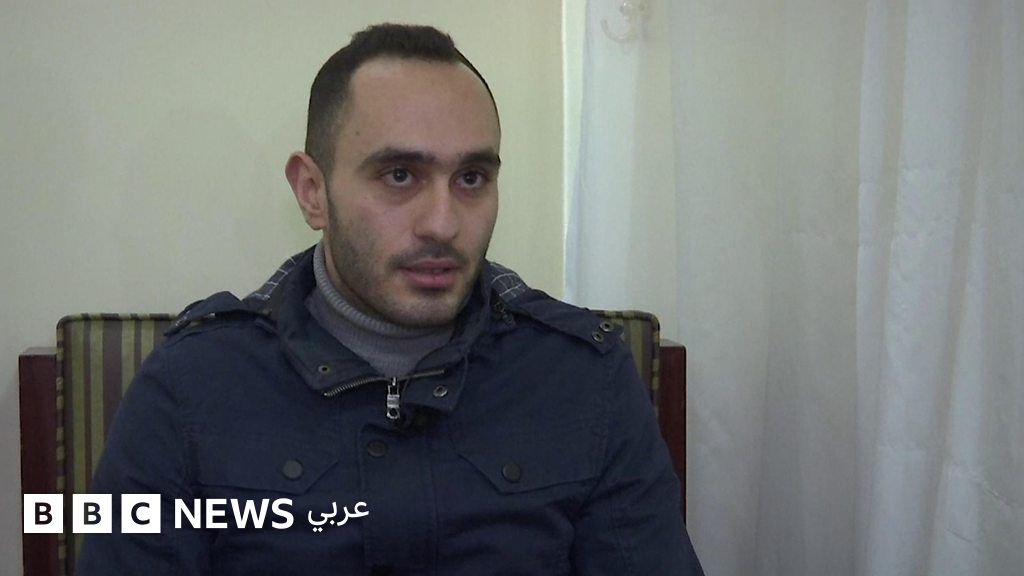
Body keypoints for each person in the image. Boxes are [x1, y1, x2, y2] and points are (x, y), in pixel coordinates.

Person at [77, 23, 703, 575]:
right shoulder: (191, 386)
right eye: (400, 175)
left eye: (472, 178)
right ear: (313, 192)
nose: (443, 223)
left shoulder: (583, 377)